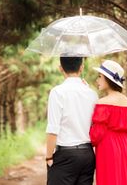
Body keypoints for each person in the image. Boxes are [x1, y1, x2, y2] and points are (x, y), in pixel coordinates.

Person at [46, 57, 98, 185]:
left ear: (60, 68)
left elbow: (53, 129)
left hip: (66, 155)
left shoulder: (57, 92)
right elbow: (94, 125)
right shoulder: (92, 93)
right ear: (82, 67)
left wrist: (48, 156)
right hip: (87, 154)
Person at [90, 60, 127, 185]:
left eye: (100, 77)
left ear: (108, 79)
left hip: (108, 149)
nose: (97, 80)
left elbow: (95, 136)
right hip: (125, 147)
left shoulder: (103, 102)